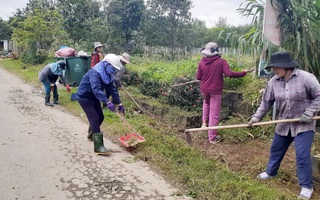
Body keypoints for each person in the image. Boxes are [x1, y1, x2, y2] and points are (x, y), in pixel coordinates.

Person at [248, 51, 320, 200]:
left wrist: (310, 112)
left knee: (302, 155)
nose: (274, 70)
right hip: (283, 123)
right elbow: (266, 103)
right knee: (276, 149)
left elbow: (318, 96)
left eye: (276, 67)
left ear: (287, 67)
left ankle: (306, 186)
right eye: (273, 68)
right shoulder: (273, 82)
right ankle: (271, 172)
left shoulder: (306, 78)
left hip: (303, 125)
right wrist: (256, 118)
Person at [196, 42, 251, 144]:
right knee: (214, 113)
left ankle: (204, 123)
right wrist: (243, 73)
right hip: (215, 90)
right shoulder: (221, 62)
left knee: (206, 103)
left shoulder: (201, 62)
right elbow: (229, 74)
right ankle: (212, 137)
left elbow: (198, 77)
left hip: (204, 89)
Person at [76, 54, 125, 155]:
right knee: (94, 118)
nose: (113, 71)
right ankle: (98, 147)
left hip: (94, 97)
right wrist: (107, 102)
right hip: (84, 97)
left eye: (115, 69)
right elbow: (96, 89)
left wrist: (119, 103)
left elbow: (112, 90)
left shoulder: (108, 75)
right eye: (113, 68)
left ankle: (91, 135)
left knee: (100, 117)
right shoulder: (95, 72)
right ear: (106, 64)